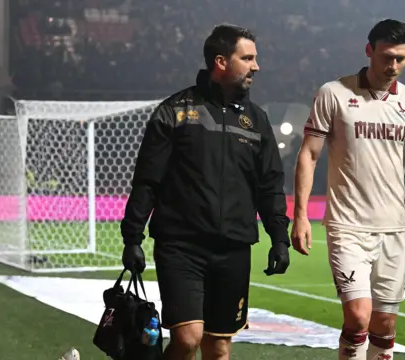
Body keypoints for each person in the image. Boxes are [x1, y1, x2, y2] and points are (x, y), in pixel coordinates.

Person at [291, 19, 405, 360]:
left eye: (401, 58)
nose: (393, 66)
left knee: (384, 325)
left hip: (393, 229)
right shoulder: (334, 94)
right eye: (387, 57)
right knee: (358, 316)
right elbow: (309, 155)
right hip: (347, 227)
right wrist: (300, 216)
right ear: (369, 50)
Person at [120, 24, 291, 360]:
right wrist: (132, 238)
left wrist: (279, 238)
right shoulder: (175, 111)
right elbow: (147, 180)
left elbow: (269, 184)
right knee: (186, 339)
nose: (256, 66)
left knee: (220, 346)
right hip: (181, 246)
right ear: (221, 62)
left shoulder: (257, 120)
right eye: (247, 58)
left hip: (235, 247)